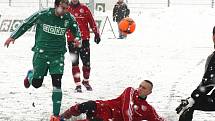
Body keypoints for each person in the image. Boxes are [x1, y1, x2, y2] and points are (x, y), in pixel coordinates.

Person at [4, 0, 81, 120]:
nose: (65, 11)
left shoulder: (68, 18)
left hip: (58, 55)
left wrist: (77, 38)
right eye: (63, 8)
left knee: (57, 83)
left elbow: (76, 29)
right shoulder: (43, 14)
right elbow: (26, 23)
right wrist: (13, 36)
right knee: (36, 84)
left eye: (67, 8)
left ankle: (55, 115)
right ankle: (31, 75)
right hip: (41, 54)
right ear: (56, 6)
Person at [60, 80, 165, 121]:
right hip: (102, 107)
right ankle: (62, 117)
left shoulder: (148, 109)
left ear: (149, 93)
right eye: (140, 86)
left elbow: (158, 120)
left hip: (108, 118)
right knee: (87, 105)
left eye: (144, 88)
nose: (140, 89)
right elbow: (126, 110)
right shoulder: (130, 91)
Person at [176, 26, 215, 121]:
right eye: (214, 35)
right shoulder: (211, 58)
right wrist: (192, 100)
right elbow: (207, 83)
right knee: (188, 106)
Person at [66, 0, 101, 93]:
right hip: (72, 40)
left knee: (86, 63)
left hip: (84, 40)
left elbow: (92, 21)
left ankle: (86, 81)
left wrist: (96, 33)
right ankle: (77, 85)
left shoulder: (84, 8)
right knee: (75, 63)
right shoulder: (66, 9)